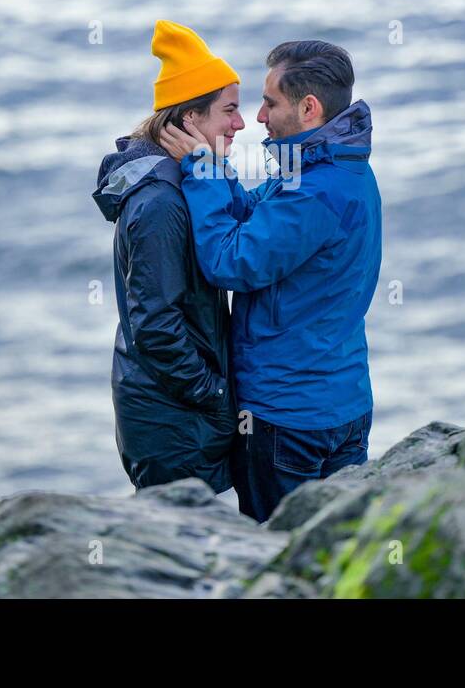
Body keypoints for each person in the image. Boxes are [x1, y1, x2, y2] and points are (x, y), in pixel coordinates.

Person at [159, 40, 381, 522]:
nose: (257, 117)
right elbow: (257, 217)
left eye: (270, 102)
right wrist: (213, 169)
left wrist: (200, 172)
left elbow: (230, 260)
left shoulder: (315, 192)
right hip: (341, 404)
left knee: (277, 558)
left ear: (308, 107)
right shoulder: (336, 167)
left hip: (289, 418)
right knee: (334, 550)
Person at [92, 20, 246, 492]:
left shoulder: (182, 183)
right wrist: (214, 394)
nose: (241, 124)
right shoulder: (160, 202)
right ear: (189, 119)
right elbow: (155, 324)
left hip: (174, 411)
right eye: (230, 111)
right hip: (174, 421)